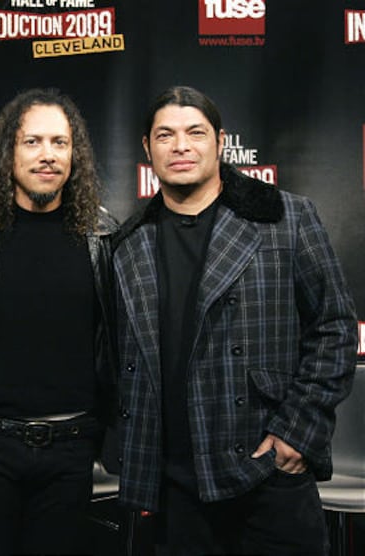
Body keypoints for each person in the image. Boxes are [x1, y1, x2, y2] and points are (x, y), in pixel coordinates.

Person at [112, 85, 358, 555]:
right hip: (172, 484)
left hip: (265, 471)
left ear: (221, 142)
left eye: (195, 132)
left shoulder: (286, 217)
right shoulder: (129, 241)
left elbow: (335, 328)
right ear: (147, 149)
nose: (180, 146)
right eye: (165, 135)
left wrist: (295, 435)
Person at [0, 88, 118, 555]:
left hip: (70, 447)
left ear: (75, 154)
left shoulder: (105, 235)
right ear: (8, 153)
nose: (48, 156)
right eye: (32, 142)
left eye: (60, 143)